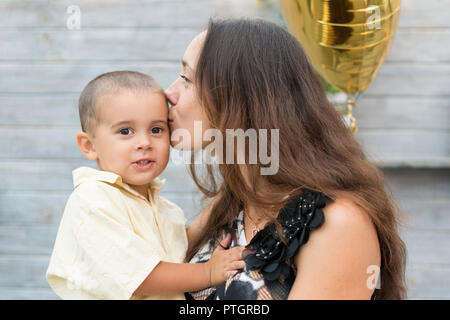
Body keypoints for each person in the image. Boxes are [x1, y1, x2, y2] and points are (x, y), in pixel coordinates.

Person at [165, 18, 407, 300]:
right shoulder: (233, 200)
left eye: (186, 79)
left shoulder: (336, 223)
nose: (169, 93)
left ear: (243, 97)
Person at [46, 70, 245, 300]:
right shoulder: (93, 201)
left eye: (156, 129)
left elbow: (175, 252)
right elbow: (142, 277)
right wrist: (208, 272)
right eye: (125, 131)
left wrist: (229, 192)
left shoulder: (162, 208)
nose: (144, 143)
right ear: (89, 145)